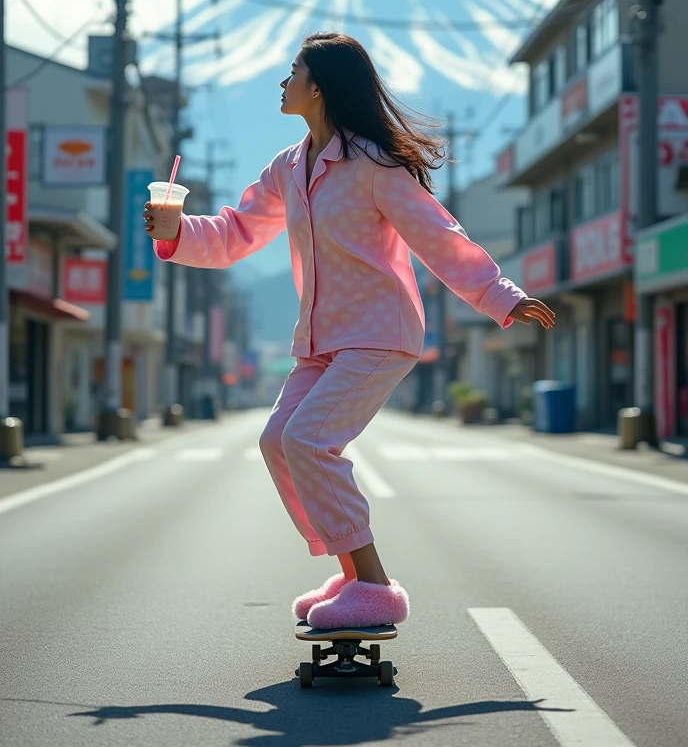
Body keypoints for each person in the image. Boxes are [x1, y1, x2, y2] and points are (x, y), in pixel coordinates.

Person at [143, 31, 555, 630]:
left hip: (380, 331)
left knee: (309, 440)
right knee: (276, 441)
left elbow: (439, 236)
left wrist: (500, 296)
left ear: (318, 88)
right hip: (318, 340)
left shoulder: (374, 165)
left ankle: (376, 585)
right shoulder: (288, 167)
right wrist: (175, 230)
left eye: (292, 72)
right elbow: (234, 233)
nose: (282, 82)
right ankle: (351, 575)